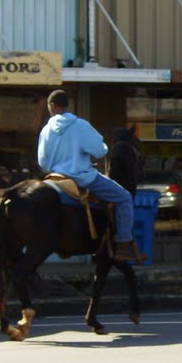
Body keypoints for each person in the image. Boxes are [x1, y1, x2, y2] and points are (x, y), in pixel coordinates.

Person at [37, 89, 146, 262]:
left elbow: (43, 163)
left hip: (55, 179)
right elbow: (100, 150)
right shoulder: (80, 125)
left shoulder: (46, 130)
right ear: (67, 105)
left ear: (52, 106)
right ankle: (123, 244)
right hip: (82, 178)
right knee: (124, 198)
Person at [109, 125, 144, 197]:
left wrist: (111, 181)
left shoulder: (120, 147)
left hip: (121, 186)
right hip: (132, 185)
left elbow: (115, 169)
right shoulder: (134, 147)